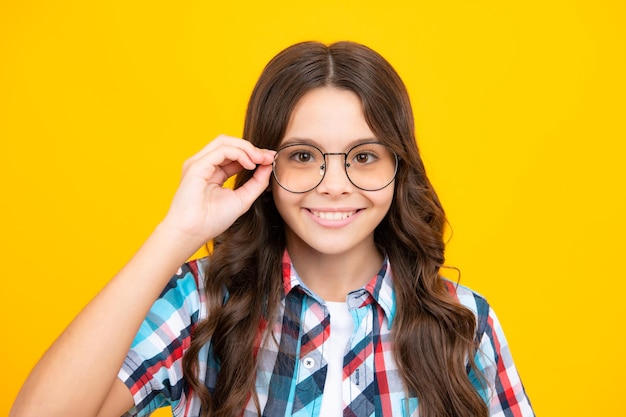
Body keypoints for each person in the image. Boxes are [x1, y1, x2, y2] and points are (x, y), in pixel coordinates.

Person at [10, 41, 534, 417]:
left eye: (364, 156)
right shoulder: (204, 302)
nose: (333, 185)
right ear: (264, 166)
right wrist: (176, 233)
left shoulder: (464, 323)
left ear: (400, 170)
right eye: (304, 155)